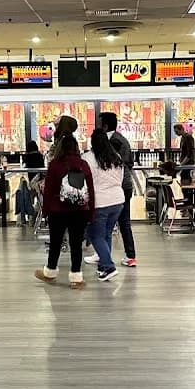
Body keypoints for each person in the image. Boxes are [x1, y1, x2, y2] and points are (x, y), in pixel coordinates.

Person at [34, 133, 94, 290]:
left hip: (58, 211)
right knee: (76, 244)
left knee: (55, 242)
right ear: (76, 148)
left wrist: (46, 211)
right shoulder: (84, 164)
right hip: (80, 210)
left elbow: (48, 190)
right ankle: (76, 278)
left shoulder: (55, 164)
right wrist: (90, 212)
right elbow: (91, 190)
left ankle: (50, 273)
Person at [82, 128, 125, 282]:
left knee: (95, 235)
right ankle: (102, 267)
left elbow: (85, 182)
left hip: (100, 202)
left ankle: (108, 266)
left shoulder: (87, 158)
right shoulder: (116, 156)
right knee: (105, 234)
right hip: (118, 201)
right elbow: (119, 179)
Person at [97, 110, 137, 267]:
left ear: (105, 126)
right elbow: (130, 163)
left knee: (106, 222)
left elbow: (107, 164)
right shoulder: (121, 139)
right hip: (123, 185)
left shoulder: (112, 141)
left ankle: (103, 256)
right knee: (123, 222)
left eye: (99, 125)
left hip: (116, 187)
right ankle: (129, 256)